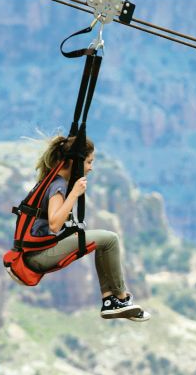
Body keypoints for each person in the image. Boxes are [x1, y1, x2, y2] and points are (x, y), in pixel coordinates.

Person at [24, 135, 149, 322]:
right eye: (89, 162)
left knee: (103, 242)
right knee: (110, 239)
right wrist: (74, 193)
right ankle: (120, 298)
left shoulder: (52, 180)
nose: (91, 167)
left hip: (37, 251)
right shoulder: (58, 185)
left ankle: (109, 300)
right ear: (75, 162)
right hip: (38, 256)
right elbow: (54, 224)